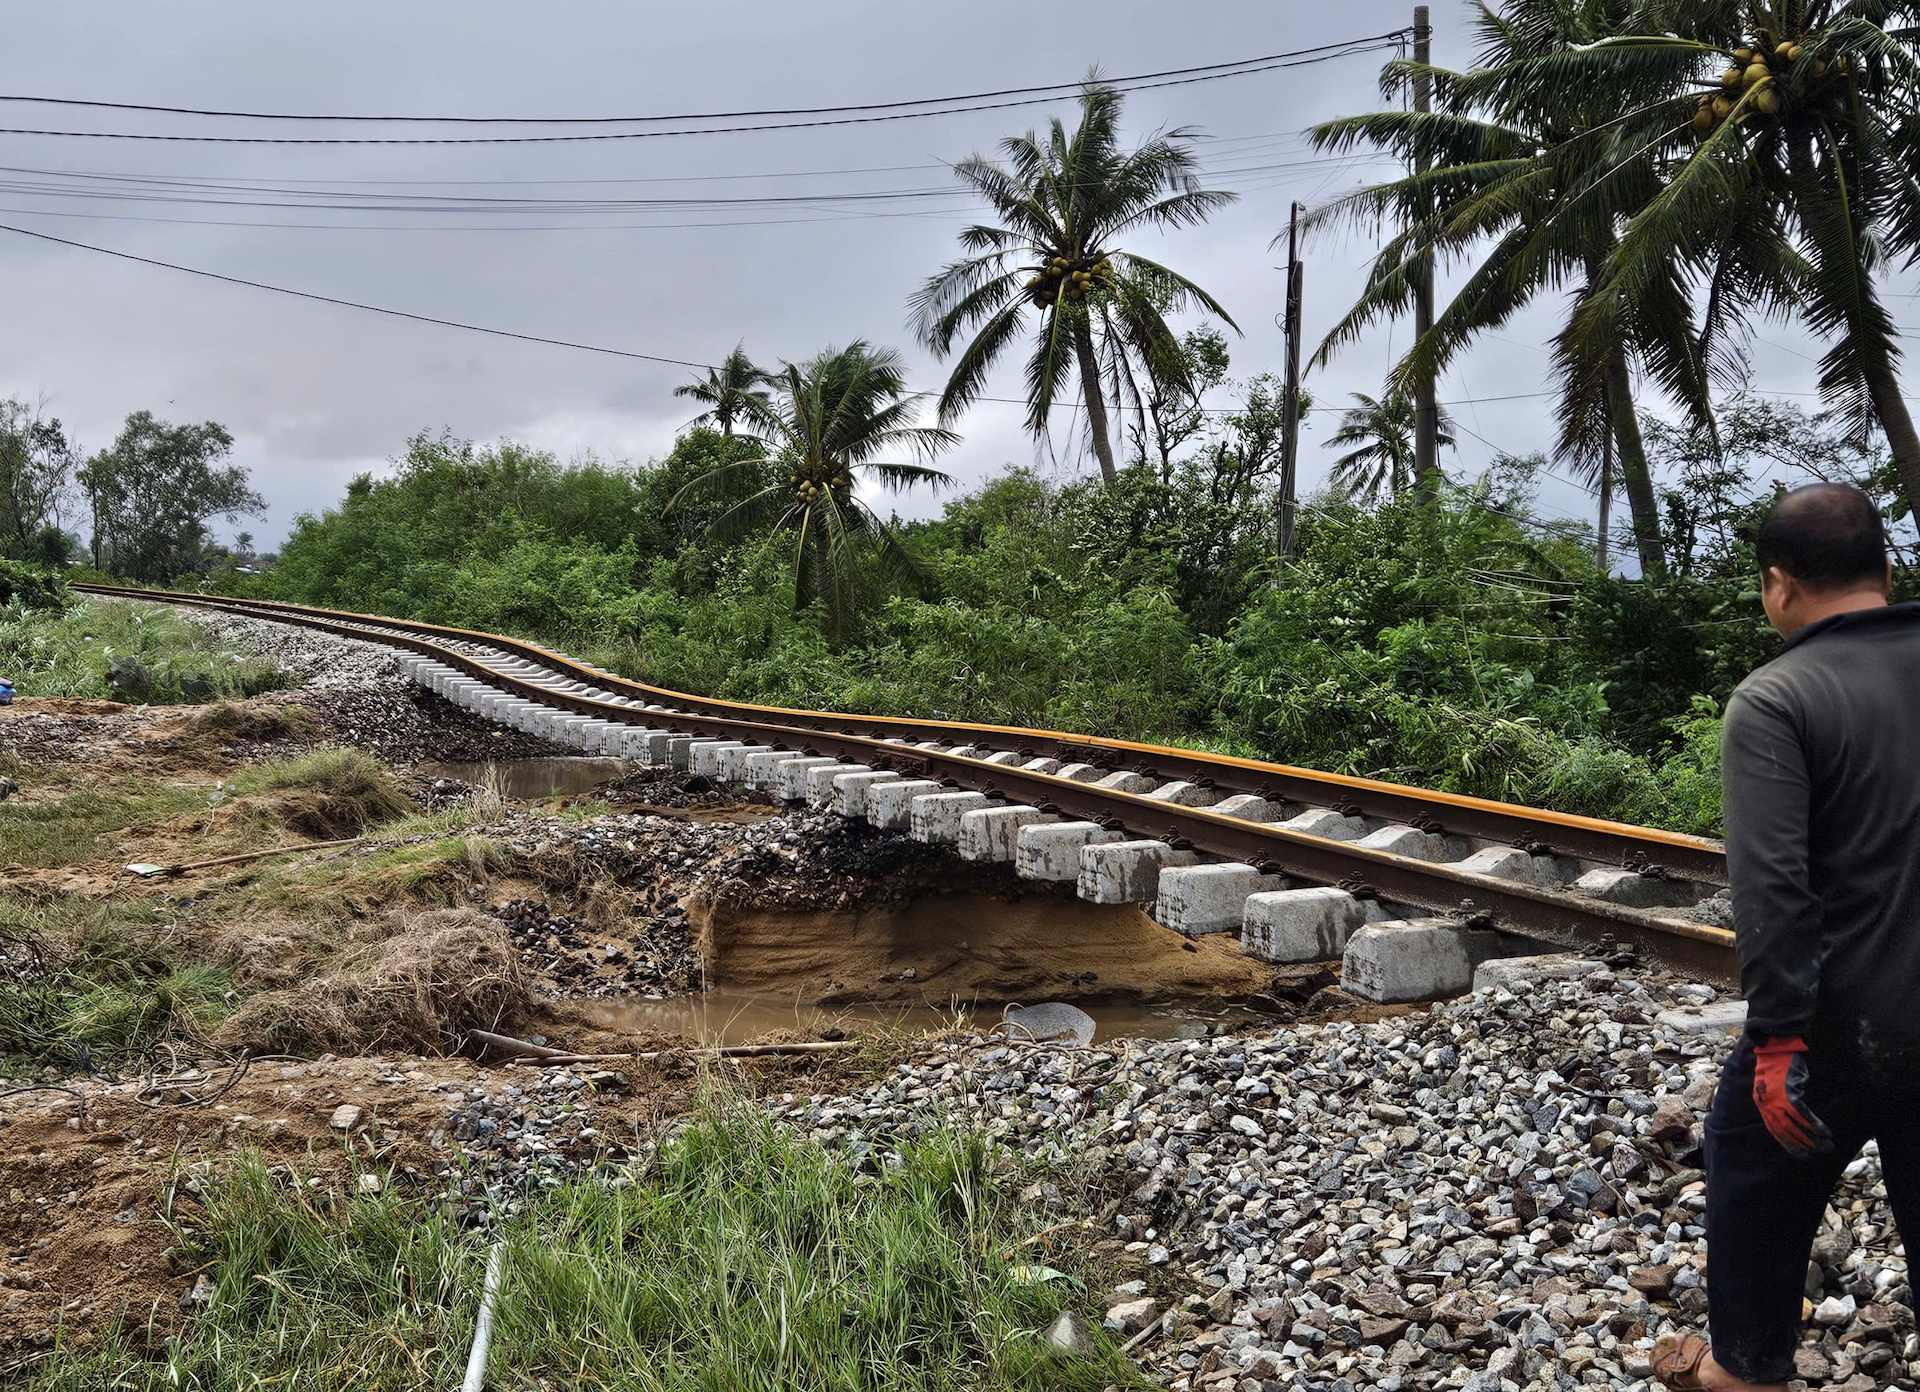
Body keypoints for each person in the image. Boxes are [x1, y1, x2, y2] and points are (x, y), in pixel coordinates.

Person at [1653, 483, 1920, 1390]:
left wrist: (1775, 1040)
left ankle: (1749, 1369)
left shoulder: (1779, 699)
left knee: (1753, 1222)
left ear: (1776, 586)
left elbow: (1773, 890)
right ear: (1888, 569)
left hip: (1835, 1038)